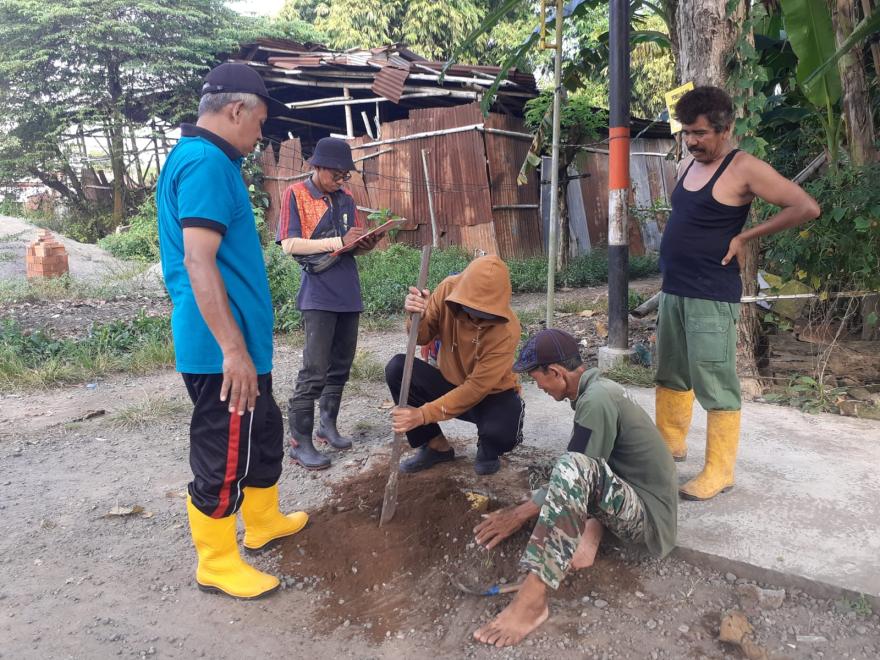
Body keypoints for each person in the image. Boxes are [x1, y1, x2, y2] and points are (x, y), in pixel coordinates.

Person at [157, 63, 308, 599]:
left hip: (240, 345)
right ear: (237, 110)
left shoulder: (204, 159)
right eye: (261, 121)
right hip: (221, 349)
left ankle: (262, 519)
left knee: (262, 432)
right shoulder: (204, 164)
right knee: (223, 451)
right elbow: (199, 262)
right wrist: (233, 350)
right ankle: (217, 561)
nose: (260, 133)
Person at [656, 86, 820, 500]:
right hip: (674, 288)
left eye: (700, 133)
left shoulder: (744, 167)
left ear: (725, 129)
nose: (692, 141)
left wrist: (746, 235)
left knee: (715, 382)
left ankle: (719, 470)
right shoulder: (685, 165)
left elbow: (804, 206)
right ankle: (668, 446)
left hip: (712, 291)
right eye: (687, 133)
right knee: (671, 373)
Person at [471, 329, 677, 647]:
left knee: (568, 469)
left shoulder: (596, 399)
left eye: (537, 379)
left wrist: (519, 514)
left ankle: (533, 599)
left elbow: (579, 469)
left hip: (650, 521)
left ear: (555, 372)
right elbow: (588, 463)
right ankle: (588, 529)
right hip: (627, 494)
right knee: (545, 471)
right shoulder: (595, 391)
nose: (538, 387)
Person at [277, 138, 380, 470]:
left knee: (340, 365)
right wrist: (340, 240)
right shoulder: (296, 194)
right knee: (314, 370)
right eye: (336, 174)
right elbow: (289, 244)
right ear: (316, 167)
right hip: (318, 292)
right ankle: (299, 442)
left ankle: (327, 426)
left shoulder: (346, 197)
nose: (341, 180)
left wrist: (365, 243)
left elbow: (347, 245)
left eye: (345, 175)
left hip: (348, 289)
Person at [386, 255, 524, 476]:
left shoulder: (507, 331)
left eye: (485, 315)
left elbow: (476, 388)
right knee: (398, 368)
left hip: (490, 394)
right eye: (472, 311)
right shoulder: (447, 290)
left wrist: (421, 414)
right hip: (450, 383)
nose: (476, 320)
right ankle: (435, 445)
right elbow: (421, 337)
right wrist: (415, 317)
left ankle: (488, 448)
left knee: (504, 427)